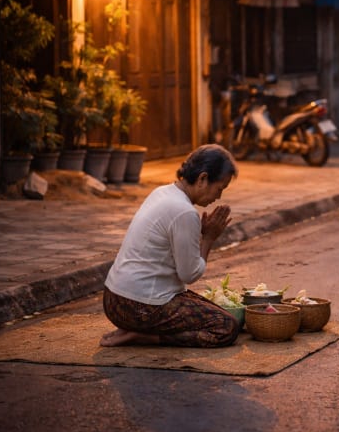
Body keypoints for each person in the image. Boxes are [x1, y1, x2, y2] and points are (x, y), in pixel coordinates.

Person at [100, 144, 239, 347]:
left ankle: (135, 329)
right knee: (227, 326)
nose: (218, 197)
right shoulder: (184, 212)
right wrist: (209, 239)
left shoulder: (163, 192)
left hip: (113, 299)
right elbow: (189, 275)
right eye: (220, 189)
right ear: (202, 179)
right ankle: (143, 337)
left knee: (212, 309)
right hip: (139, 307)